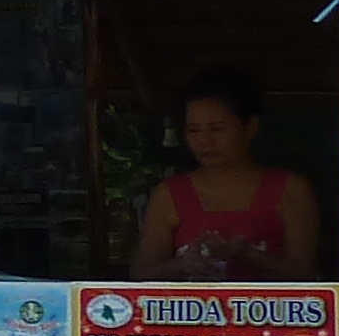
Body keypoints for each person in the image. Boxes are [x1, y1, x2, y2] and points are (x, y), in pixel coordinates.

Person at [131, 66, 324, 282]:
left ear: (250, 127)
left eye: (217, 129)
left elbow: (306, 274)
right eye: (194, 130)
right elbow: (141, 274)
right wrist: (182, 265)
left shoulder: (291, 189)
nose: (204, 141)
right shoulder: (170, 193)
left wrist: (247, 255)